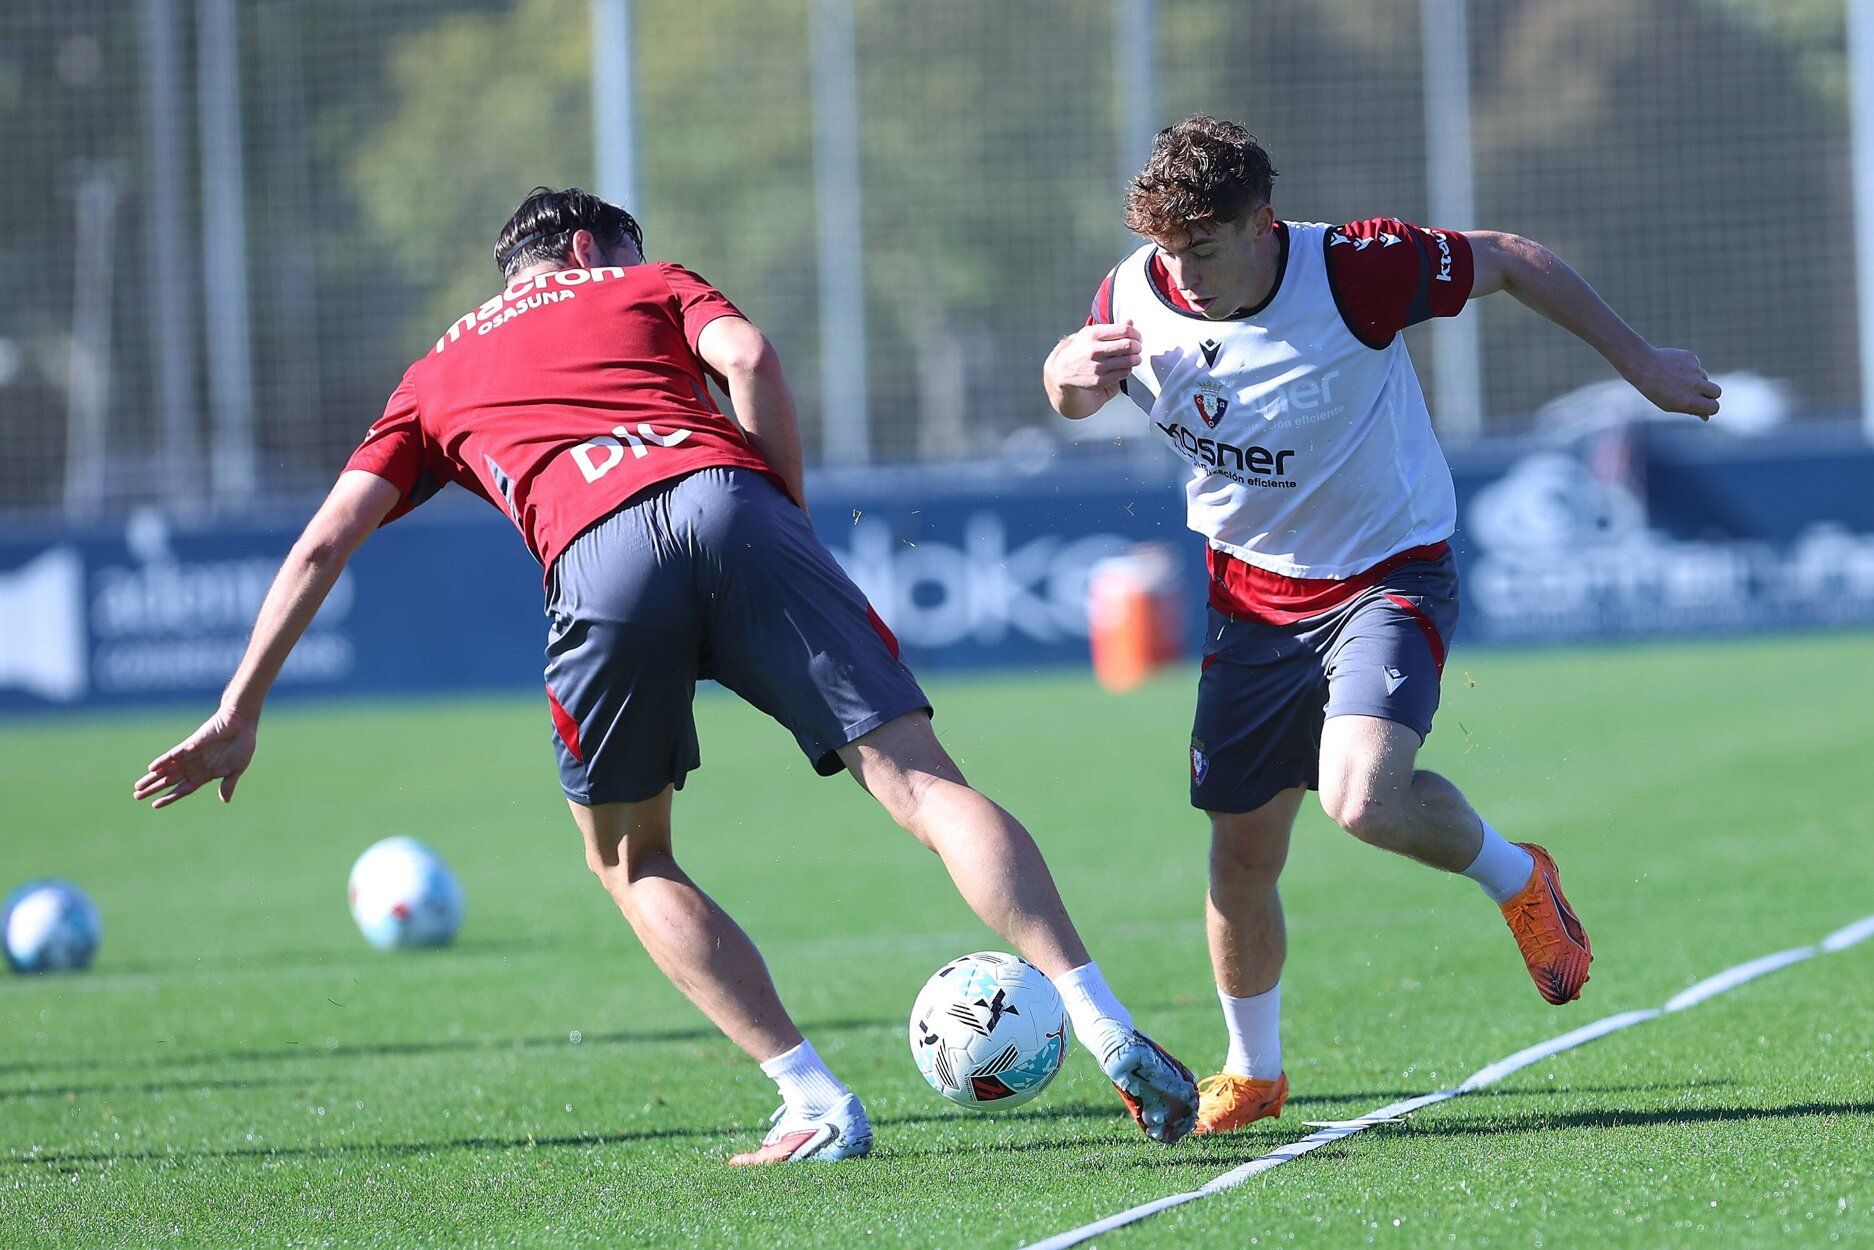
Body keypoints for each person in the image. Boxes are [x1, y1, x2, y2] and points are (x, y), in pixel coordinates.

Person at [133, 186, 1199, 1162]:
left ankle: (814, 1100)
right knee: (921, 783)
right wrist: (782, 521)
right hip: (730, 505)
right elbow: (750, 360)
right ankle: (1099, 1015)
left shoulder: (433, 374)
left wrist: (240, 707)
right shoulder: (643, 282)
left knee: (631, 856)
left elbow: (324, 541)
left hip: (597, 561)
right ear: (587, 248)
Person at [1043, 118, 1720, 1136]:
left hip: (1387, 575)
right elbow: (1070, 395)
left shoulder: (1357, 268)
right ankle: (1254, 1071)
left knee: (1359, 798)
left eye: (1203, 250)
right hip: (1247, 599)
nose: (1181, 274)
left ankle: (1517, 877)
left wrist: (1641, 364)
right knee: (1240, 855)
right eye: (1166, 250)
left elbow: (1510, 259)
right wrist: (1066, 378)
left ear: (1262, 224)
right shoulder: (1132, 291)